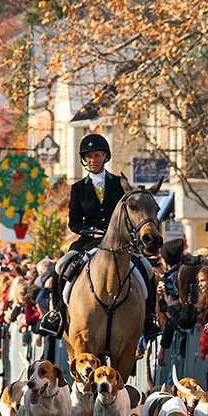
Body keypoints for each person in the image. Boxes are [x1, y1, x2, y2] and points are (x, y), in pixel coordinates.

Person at [37, 134, 159, 339]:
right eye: (89, 156)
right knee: (60, 267)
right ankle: (56, 313)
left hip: (119, 241)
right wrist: (91, 231)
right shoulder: (78, 188)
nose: (93, 160)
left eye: (97, 155)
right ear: (84, 160)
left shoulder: (120, 184)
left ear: (105, 156)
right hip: (88, 240)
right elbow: (74, 222)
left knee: (147, 270)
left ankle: (149, 319)